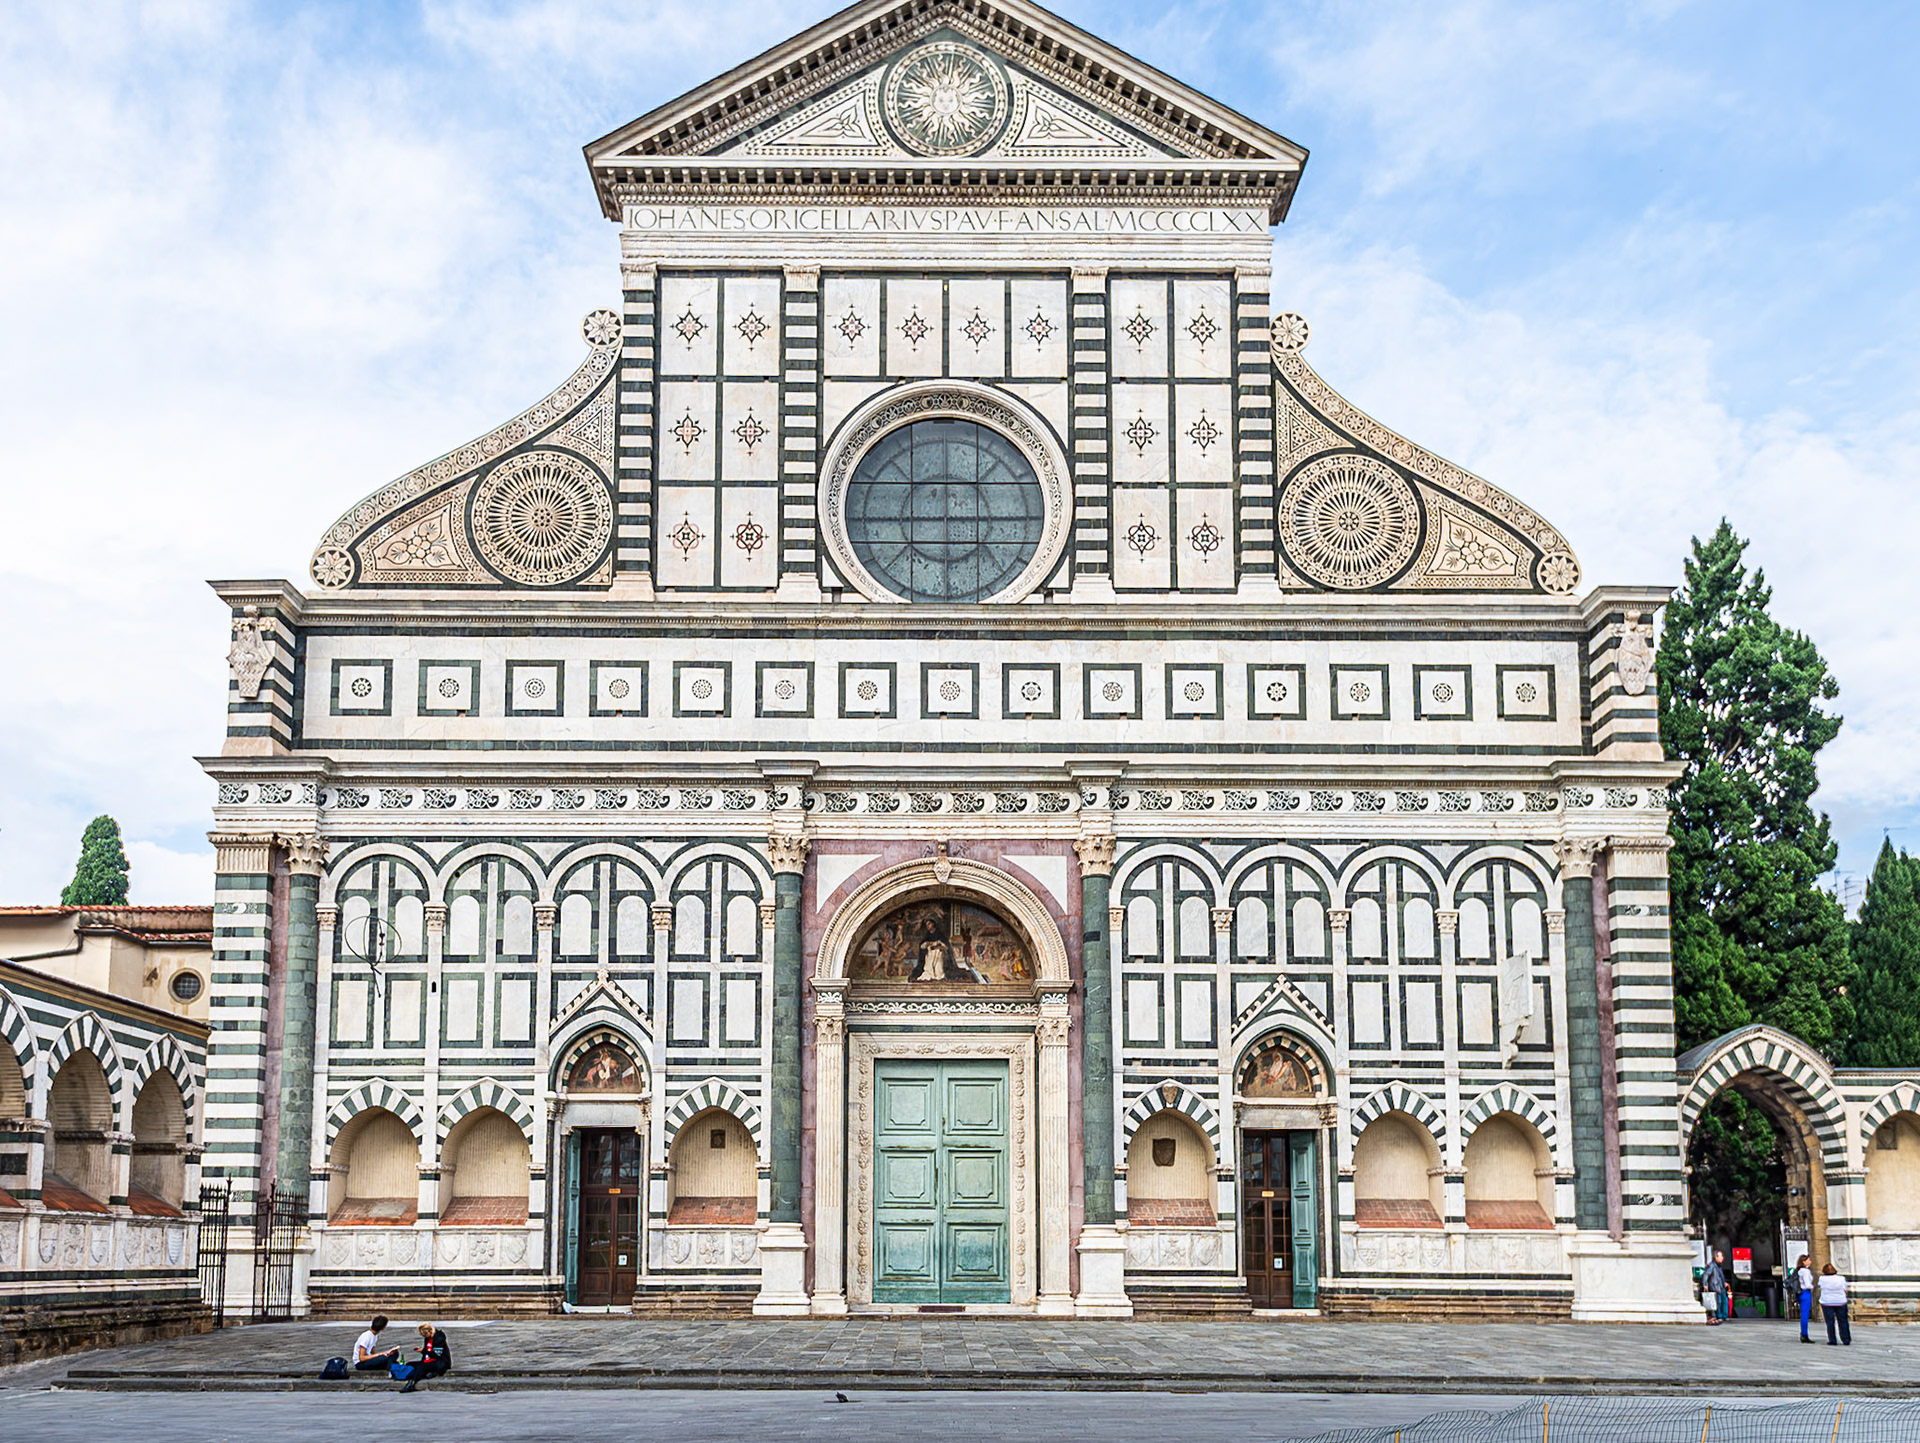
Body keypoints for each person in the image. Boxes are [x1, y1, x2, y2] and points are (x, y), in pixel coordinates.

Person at [396, 1320, 452, 1393]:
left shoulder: (439, 1338)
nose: (424, 1337)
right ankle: (429, 1374)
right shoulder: (427, 1338)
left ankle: (411, 1383)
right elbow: (427, 1351)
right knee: (411, 1364)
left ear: (429, 1332)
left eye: (424, 1335)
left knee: (423, 1367)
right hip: (429, 1360)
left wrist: (423, 1351)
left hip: (440, 1362)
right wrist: (423, 1352)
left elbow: (437, 1355)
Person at [1818, 1262, 1851, 1346]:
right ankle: (1846, 1339)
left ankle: (1832, 1340)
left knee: (1830, 1322)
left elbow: (1820, 1286)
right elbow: (1845, 1289)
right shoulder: (1841, 1278)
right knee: (1843, 1321)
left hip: (1827, 1302)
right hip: (1840, 1301)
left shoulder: (1822, 1278)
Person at [1702, 1250, 1729, 1324]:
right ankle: (1719, 1315)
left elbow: (1720, 1276)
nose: (1722, 1258)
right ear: (1716, 1257)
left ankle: (1724, 1315)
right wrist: (1705, 1283)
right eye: (1721, 1256)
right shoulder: (1712, 1265)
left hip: (1720, 1286)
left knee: (1724, 1301)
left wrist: (1723, 1282)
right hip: (1715, 1286)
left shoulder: (1719, 1266)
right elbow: (1706, 1274)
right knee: (1719, 1302)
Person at [1796, 1255, 1817, 1343]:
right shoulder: (1805, 1272)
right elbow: (1807, 1284)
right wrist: (1814, 1286)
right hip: (1806, 1292)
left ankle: (1803, 1333)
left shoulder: (1799, 1271)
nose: (1810, 1261)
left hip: (1801, 1293)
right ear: (1804, 1262)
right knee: (1805, 1314)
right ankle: (1804, 1334)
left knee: (1803, 1314)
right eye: (1808, 1260)